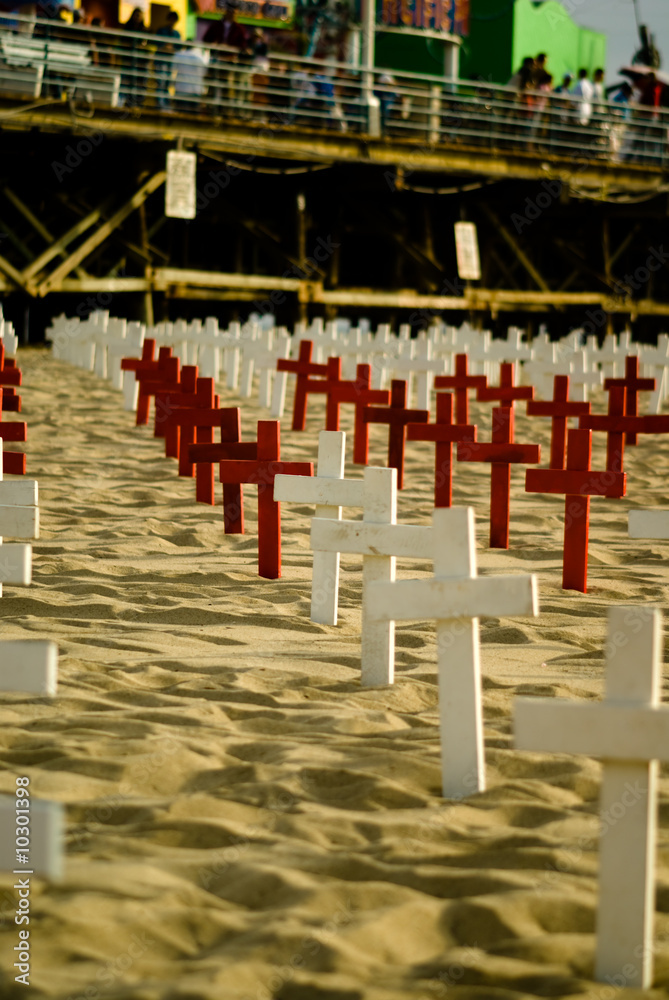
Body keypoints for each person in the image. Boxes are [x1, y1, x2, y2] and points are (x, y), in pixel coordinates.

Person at [120, 7, 147, 106]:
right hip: (128, 59)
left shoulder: (144, 30)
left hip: (140, 61)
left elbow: (145, 45)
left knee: (139, 81)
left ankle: (138, 102)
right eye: (136, 15)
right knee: (127, 80)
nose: (137, 18)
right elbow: (123, 42)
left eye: (139, 15)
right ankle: (126, 101)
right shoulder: (127, 28)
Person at [155, 10, 181, 110]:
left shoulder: (176, 34)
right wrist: (168, 48)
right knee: (160, 82)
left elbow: (177, 49)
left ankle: (165, 103)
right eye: (171, 19)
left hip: (170, 62)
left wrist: (169, 48)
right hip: (161, 61)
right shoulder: (161, 31)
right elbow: (159, 45)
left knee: (167, 83)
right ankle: (160, 103)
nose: (172, 22)